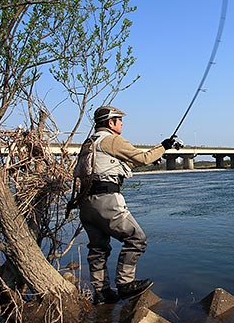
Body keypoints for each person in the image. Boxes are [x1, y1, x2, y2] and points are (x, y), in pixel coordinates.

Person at [75, 105, 182, 304]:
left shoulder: (89, 143)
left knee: (98, 248)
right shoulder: (112, 140)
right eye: (120, 121)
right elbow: (143, 158)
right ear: (110, 123)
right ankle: (125, 284)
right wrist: (164, 145)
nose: (122, 124)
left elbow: (109, 165)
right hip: (106, 200)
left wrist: (151, 161)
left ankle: (101, 292)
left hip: (85, 204)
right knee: (136, 238)